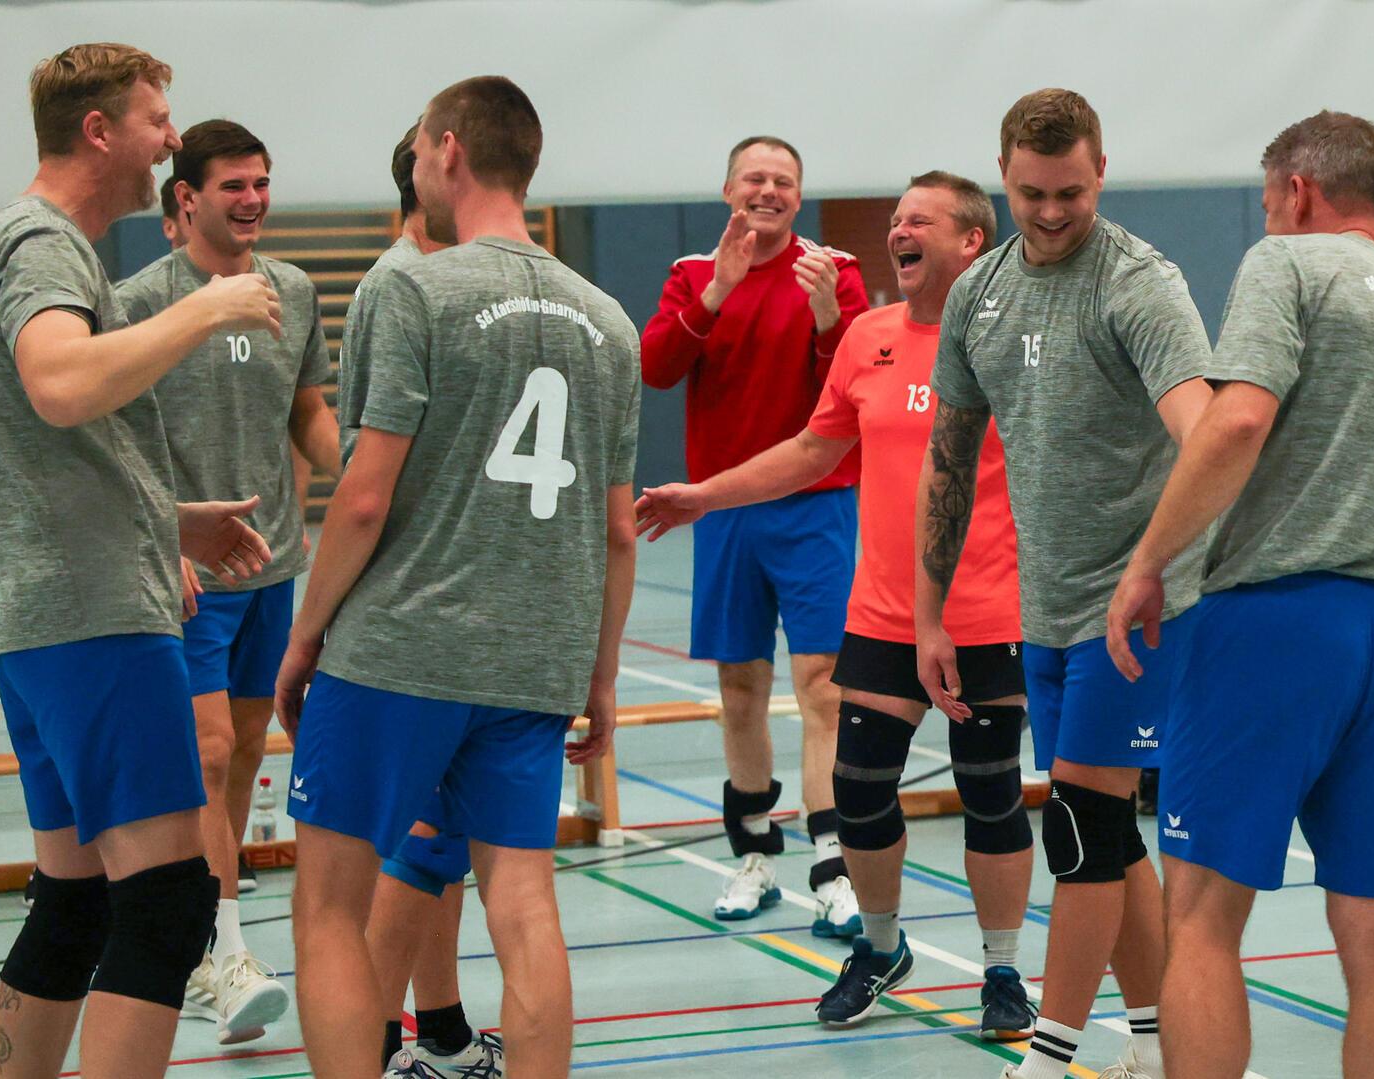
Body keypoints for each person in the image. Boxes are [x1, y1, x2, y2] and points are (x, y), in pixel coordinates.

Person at [275, 76, 639, 1079]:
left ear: (444, 150)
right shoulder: (609, 318)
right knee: (524, 906)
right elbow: (618, 532)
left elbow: (360, 497)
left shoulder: (412, 287)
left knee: (330, 908)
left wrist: (306, 638)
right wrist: (597, 674)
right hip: (536, 659)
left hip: (399, 647)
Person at [1106, 109, 1374, 1079]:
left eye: (1270, 201)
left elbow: (1235, 421)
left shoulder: (1290, 263)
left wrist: (1148, 561)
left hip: (1276, 618)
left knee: (1202, 916)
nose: (1268, 217)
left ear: (1298, 192)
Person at [637, 172, 1038, 1039]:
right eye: (896, 219)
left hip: (987, 614)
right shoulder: (869, 336)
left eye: (920, 220)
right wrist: (705, 495)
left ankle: (1002, 968)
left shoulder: (1013, 342)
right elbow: (816, 447)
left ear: (972, 240)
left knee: (993, 795)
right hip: (885, 615)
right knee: (860, 795)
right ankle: (880, 948)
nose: (900, 230)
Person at [0, 42, 280, 1079]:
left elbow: (41, 449)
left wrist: (165, 519)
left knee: (78, 896)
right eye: (155, 119)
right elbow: (56, 383)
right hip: (91, 618)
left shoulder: (10, 244)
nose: (170, 139)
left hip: (44, 616)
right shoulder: (42, 243)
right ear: (99, 131)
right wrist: (207, 306)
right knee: (170, 898)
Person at [920, 88, 1213, 1079]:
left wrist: (1158, 564)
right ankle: (1157, 1036)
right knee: (1109, 834)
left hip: (1139, 607)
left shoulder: (1140, 284)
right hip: (1040, 607)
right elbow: (949, 464)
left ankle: (1049, 1056)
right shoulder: (979, 292)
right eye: (1034, 193)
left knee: (1081, 822)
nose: (1052, 212)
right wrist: (930, 613)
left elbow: (1203, 431)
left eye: (1073, 193)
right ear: (1003, 175)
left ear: (1102, 171)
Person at [117, 117, 342, 1046]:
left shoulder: (291, 289)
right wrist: (164, 538)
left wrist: (368, 472)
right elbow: (114, 439)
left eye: (261, 183)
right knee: (209, 750)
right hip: (191, 572)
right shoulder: (139, 302)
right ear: (185, 199)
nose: (251, 200)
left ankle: (212, 929)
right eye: (232, 186)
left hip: (273, 566)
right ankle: (227, 947)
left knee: (244, 754)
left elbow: (309, 413)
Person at [640, 135, 871, 930]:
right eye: (754, 178)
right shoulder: (693, 276)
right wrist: (714, 296)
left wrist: (826, 316)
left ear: (798, 195)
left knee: (823, 687)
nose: (767, 191)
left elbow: (859, 382)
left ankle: (833, 868)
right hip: (724, 508)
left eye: (783, 181)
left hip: (816, 506)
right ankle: (754, 856)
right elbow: (656, 367)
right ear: (728, 189)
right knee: (740, 688)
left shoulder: (833, 270)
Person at [351, 121, 503, 1079]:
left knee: (439, 843)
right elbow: (370, 477)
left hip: (474, 604)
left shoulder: (470, 284)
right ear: (431, 168)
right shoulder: (398, 287)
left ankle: (440, 1031)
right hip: (420, 616)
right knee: (418, 841)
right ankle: (365, 1039)